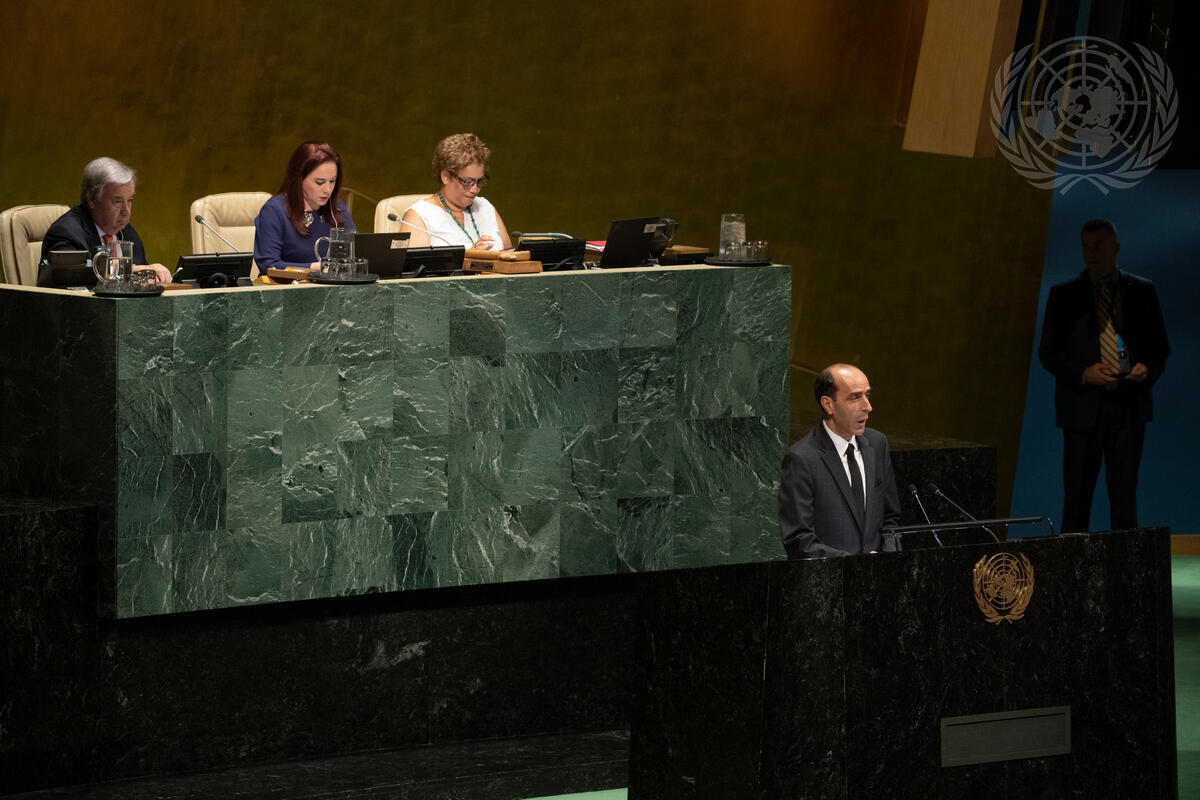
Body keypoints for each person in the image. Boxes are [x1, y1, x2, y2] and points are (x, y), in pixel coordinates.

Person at [1038, 219, 1169, 532]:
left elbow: (1159, 348)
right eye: (1085, 246)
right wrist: (1084, 373)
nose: (1091, 253)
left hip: (1128, 408)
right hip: (1082, 410)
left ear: (1116, 247)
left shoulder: (1142, 291)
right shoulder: (1064, 295)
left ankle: (1124, 565)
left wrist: (1146, 370)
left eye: (1098, 246)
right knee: (1076, 500)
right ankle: (1074, 564)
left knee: (1124, 500)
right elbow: (1049, 351)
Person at [778, 363, 901, 559]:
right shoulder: (802, 459)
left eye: (867, 395)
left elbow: (891, 519)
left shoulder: (878, 444)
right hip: (832, 576)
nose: (868, 407)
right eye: (855, 397)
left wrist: (886, 558)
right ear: (828, 404)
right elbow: (799, 540)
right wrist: (854, 565)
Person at [40, 157, 172, 283]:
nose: (126, 211)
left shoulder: (127, 232)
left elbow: (142, 274)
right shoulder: (66, 231)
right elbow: (70, 275)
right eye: (117, 202)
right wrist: (128, 269)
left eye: (129, 200)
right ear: (92, 199)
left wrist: (153, 278)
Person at [254, 141, 356, 271]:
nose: (327, 190)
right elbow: (268, 265)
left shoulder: (337, 207)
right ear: (299, 179)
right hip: (287, 284)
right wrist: (313, 268)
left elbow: (357, 253)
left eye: (332, 181)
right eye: (319, 182)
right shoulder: (274, 211)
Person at [400, 133, 512, 251]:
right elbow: (418, 262)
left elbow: (509, 253)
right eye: (467, 181)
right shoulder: (419, 217)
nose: (475, 189)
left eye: (479, 181)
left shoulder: (485, 207)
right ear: (445, 177)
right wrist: (471, 256)